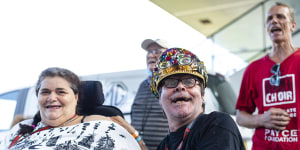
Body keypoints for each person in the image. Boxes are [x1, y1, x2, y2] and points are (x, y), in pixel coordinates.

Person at [0, 67, 143, 150]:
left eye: (60, 92)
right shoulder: (19, 130)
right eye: (45, 92)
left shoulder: (103, 127)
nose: (52, 97)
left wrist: (135, 135)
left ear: (76, 97)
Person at [150, 48, 245, 150]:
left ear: (202, 94)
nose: (180, 87)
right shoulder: (163, 146)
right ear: (159, 98)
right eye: (170, 82)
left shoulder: (217, 125)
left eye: (189, 81)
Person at [235, 2, 300, 150]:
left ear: (293, 26)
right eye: (269, 19)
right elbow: (240, 116)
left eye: (281, 17)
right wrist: (261, 119)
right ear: (266, 28)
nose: (274, 21)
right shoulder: (253, 68)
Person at [131, 39, 170, 150]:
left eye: (157, 51)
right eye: (148, 52)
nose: (151, 56)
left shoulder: (173, 83)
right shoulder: (143, 85)